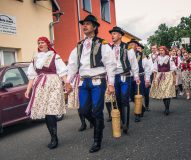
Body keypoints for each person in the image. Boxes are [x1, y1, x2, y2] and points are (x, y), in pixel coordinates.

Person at [66, 15, 116, 153]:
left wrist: (111, 83)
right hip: (83, 81)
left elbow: (110, 64)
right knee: (83, 110)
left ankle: (97, 140)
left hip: (98, 81)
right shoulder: (79, 45)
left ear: (94, 27)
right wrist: (68, 81)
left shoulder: (103, 44)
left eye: (88, 24)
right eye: (83, 24)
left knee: (96, 110)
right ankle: (98, 124)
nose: (84, 26)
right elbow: (72, 64)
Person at [25, 37, 67, 149]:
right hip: (41, 86)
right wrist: (28, 90)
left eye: (42, 42)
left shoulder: (54, 56)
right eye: (38, 43)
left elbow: (62, 72)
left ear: (47, 44)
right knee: (47, 113)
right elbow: (32, 76)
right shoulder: (35, 58)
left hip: (54, 84)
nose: (40, 44)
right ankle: (54, 137)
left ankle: (54, 138)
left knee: (51, 111)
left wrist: (67, 84)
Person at [107, 26, 139, 133]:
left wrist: (136, 77)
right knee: (117, 101)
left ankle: (126, 124)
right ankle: (121, 120)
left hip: (125, 76)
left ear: (120, 35)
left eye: (115, 33)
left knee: (125, 100)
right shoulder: (108, 48)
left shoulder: (128, 48)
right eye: (112, 34)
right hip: (114, 77)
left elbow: (134, 63)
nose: (112, 35)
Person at [128, 40, 151, 122]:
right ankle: (142, 108)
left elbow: (147, 68)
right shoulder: (126, 53)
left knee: (138, 94)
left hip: (139, 77)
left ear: (136, 46)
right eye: (130, 44)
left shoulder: (142, 55)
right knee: (131, 96)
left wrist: (147, 79)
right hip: (129, 77)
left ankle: (137, 114)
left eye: (133, 44)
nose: (131, 46)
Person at [150, 46, 176, 116]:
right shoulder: (157, 59)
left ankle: (167, 108)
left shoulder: (169, 58)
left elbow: (172, 69)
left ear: (165, 51)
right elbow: (155, 70)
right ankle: (166, 107)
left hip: (168, 76)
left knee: (167, 92)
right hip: (159, 77)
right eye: (160, 50)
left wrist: (174, 78)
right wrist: (154, 79)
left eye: (162, 50)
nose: (161, 51)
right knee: (163, 93)